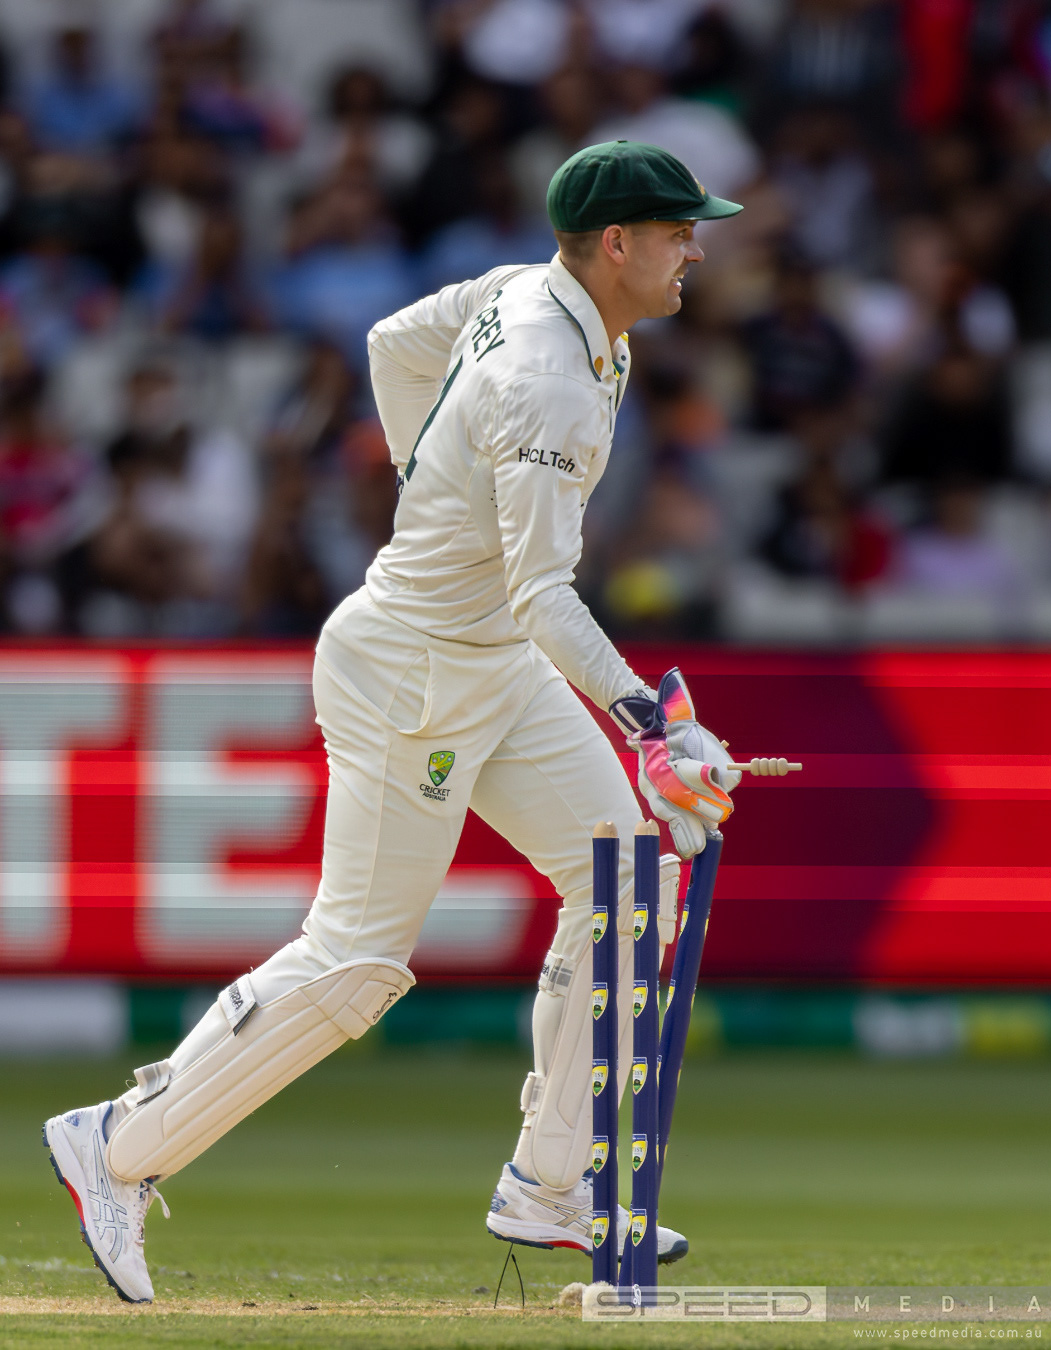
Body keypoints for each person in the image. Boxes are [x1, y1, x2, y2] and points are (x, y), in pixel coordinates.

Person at [43, 140, 745, 1303]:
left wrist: (434, 477)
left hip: (495, 664)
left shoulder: (537, 298)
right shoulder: (548, 375)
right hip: (411, 671)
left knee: (630, 882)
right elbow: (544, 594)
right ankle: (115, 1144)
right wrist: (653, 725)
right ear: (617, 243)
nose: (696, 252)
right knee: (358, 965)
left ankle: (549, 1184)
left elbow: (389, 344)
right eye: (679, 233)